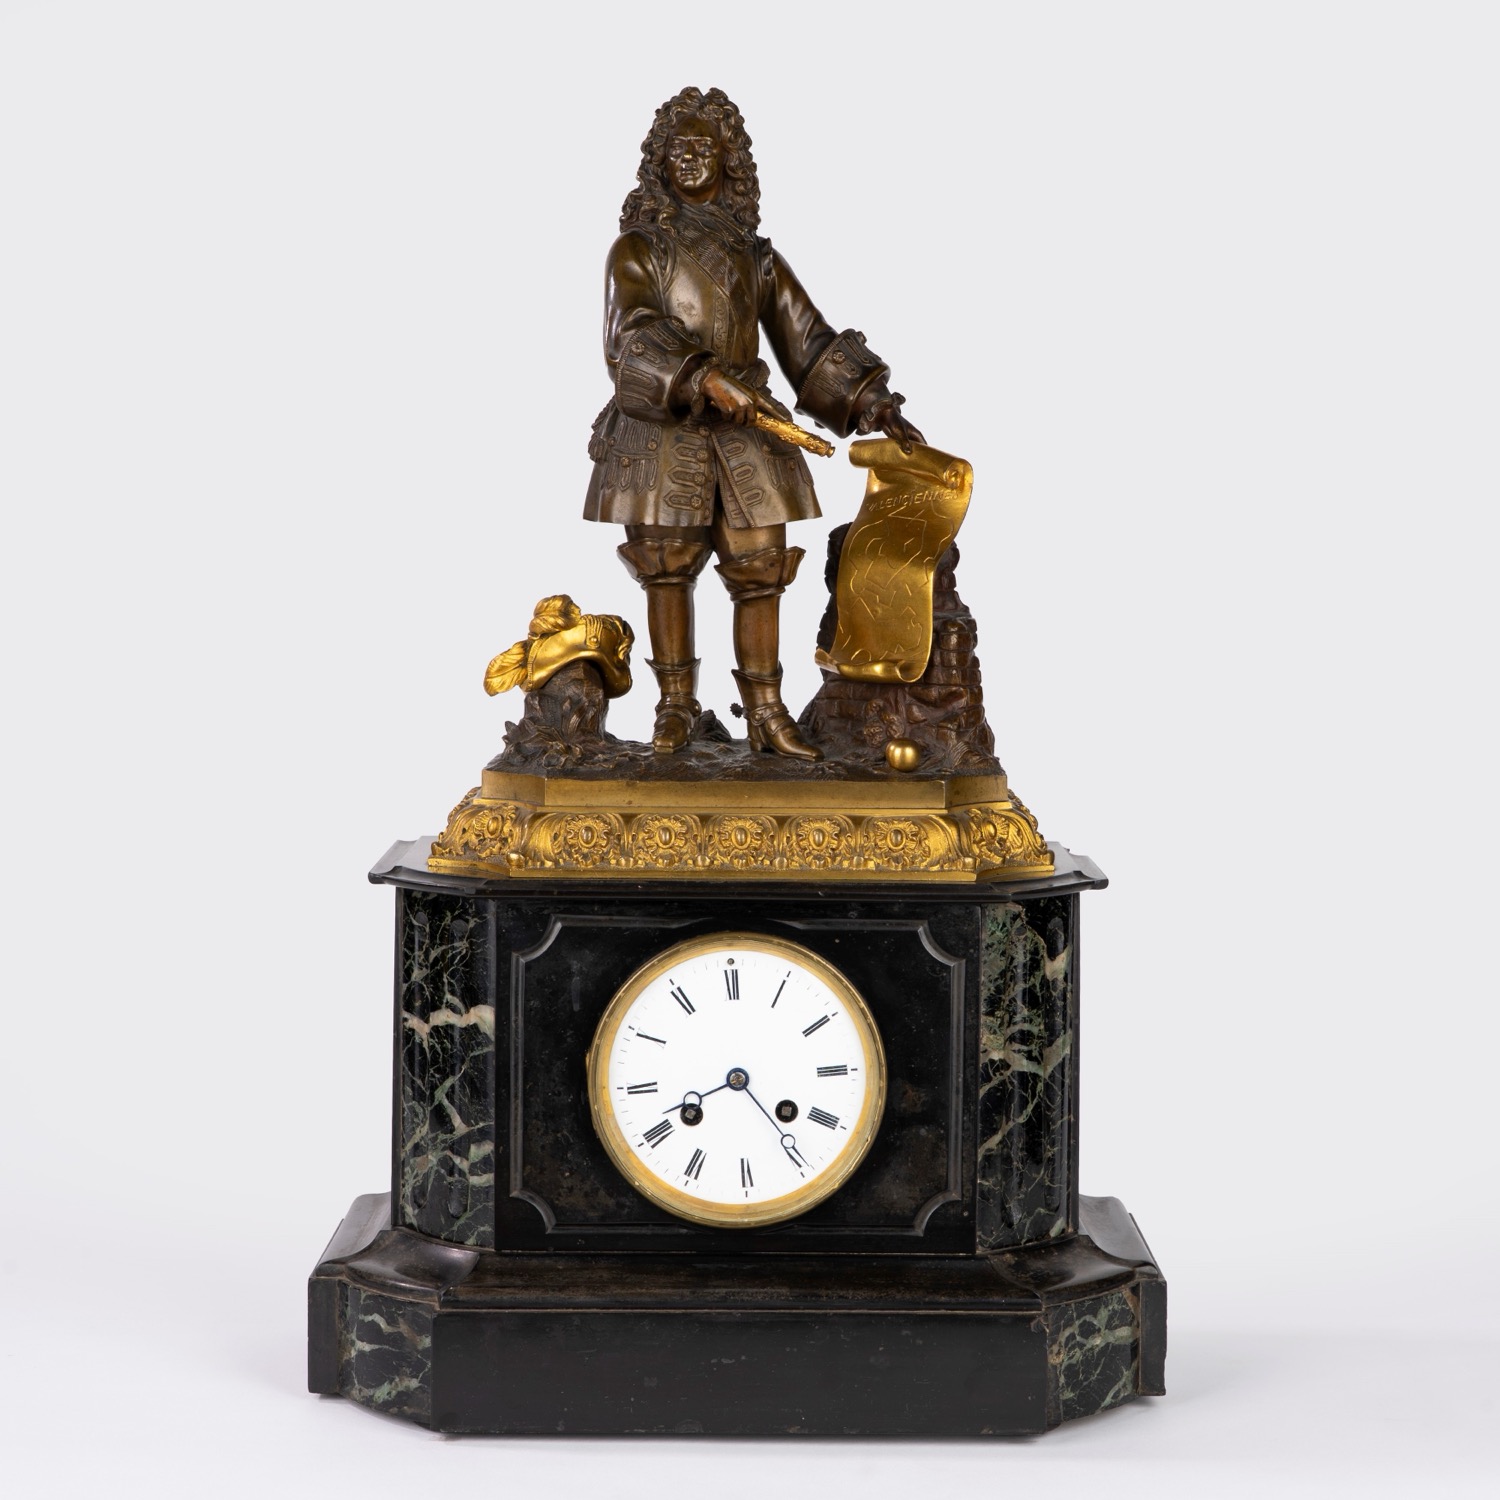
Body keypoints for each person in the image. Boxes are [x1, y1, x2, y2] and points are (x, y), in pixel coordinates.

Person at [583, 86, 923, 759]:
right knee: (666, 564)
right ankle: (676, 707)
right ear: (658, 161)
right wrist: (699, 376)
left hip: (747, 431)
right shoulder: (638, 249)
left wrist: (871, 400)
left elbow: (806, 339)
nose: (688, 158)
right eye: (676, 148)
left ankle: (766, 712)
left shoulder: (755, 256)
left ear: (728, 160)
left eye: (702, 147)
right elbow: (631, 333)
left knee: (761, 566)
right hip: (663, 429)